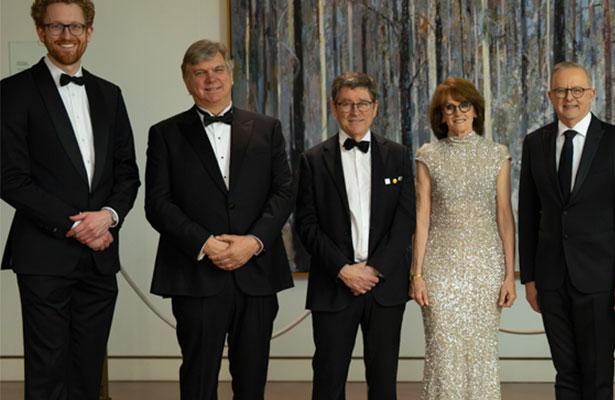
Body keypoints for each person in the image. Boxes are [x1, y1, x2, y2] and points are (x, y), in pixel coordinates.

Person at [0, 1, 140, 397]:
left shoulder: (110, 95)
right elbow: (10, 179)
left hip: (100, 256)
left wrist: (108, 217)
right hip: (44, 255)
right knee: (47, 371)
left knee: (88, 369)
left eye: (75, 26)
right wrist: (78, 225)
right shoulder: (11, 93)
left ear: (89, 32)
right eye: (56, 26)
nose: (67, 35)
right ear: (40, 31)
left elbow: (128, 173)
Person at [145, 39, 294, 400]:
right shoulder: (165, 133)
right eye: (200, 73)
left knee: (252, 378)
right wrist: (205, 243)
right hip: (195, 275)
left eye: (217, 70)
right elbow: (158, 204)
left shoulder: (267, 128)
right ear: (186, 80)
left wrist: (252, 242)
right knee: (198, 378)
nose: (210, 79)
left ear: (231, 74)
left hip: (257, 275)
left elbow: (285, 192)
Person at [518, 62, 615, 399]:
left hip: (601, 280)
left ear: (592, 94)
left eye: (577, 90)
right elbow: (529, 214)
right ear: (550, 96)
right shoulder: (535, 143)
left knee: (598, 373)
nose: (569, 97)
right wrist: (529, 278)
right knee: (566, 371)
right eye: (561, 90)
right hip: (551, 278)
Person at [296, 72, 415, 400]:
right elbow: (306, 225)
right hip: (334, 285)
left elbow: (405, 222)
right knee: (328, 379)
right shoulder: (312, 160)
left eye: (362, 103)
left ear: (375, 108)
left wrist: (374, 269)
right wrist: (343, 269)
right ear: (334, 108)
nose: (355, 111)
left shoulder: (398, 155)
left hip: (384, 287)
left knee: (383, 380)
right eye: (346, 104)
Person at [410, 77, 517, 399]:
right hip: (440, 270)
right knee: (443, 353)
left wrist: (509, 275)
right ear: (441, 116)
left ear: (475, 110)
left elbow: (504, 216)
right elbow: (422, 217)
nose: (457, 113)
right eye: (449, 107)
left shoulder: (497, 154)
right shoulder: (428, 154)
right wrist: (417, 274)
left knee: (482, 355)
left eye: (463, 105)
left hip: (486, 268)